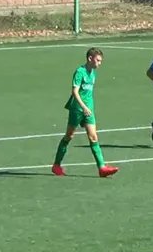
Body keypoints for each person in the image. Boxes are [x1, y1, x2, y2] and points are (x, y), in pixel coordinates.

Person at [51, 48, 119, 178]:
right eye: (98, 60)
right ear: (90, 58)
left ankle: (102, 168)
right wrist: (83, 107)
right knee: (69, 136)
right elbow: (75, 92)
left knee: (93, 137)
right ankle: (56, 165)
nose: (99, 63)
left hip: (89, 109)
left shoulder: (93, 73)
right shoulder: (79, 72)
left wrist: (89, 108)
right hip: (77, 109)